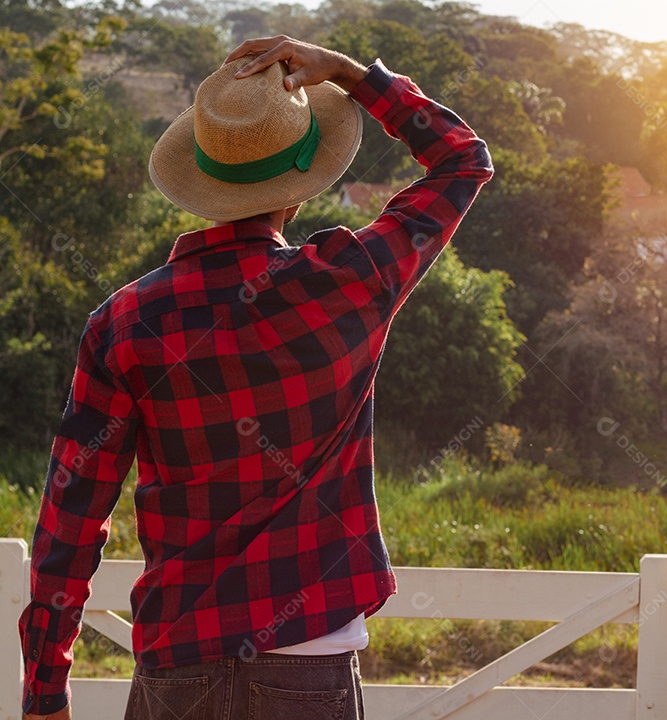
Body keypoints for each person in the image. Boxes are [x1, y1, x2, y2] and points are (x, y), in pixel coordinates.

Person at [18, 35, 493, 720]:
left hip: (174, 671)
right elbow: (462, 160)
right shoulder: (348, 281)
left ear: (201, 179)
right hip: (308, 665)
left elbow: (71, 519)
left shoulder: (123, 321)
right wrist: (352, 74)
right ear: (298, 189)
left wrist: (45, 688)